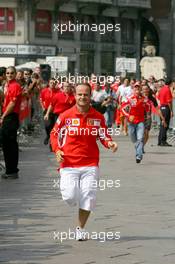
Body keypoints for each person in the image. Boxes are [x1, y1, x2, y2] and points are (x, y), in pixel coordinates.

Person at [50, 83, 118, 241]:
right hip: (69, 164)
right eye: (80, 94)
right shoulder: (65, 116)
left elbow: (104, 136)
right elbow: (54, 134)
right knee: (70, 197)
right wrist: (57, 150)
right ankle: (76, 194)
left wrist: (110, 143)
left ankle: (80, 229)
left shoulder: (98, 117)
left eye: (86, 94)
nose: (82, 97)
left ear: (90, 96)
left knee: (88, 197)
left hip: (90, 163)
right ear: (75, 96)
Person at [0, 66, 22, 179]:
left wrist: (3, 116)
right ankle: (10, 170)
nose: (9, 75)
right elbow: (6, 100)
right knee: (7, 144)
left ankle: (12, 171)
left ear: (15, 74)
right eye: (7, 73)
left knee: (10, 145)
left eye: (11, 73)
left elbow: (12, 104)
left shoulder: (15, 86)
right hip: (8, 117)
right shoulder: (7, 85)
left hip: (11, 117)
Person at [121, 83, 146, 163]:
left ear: (140, 90)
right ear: (133, 90)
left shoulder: (144, 99)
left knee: (140, 138)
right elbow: (122, 109)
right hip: (131, 122)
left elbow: (148, 106)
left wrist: (148, 114)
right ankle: (139, 149)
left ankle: (139, 156)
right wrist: (128, 116)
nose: (137, 90)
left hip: (140, 122)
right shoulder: (129, 98)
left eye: (138, 89)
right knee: (134, 140)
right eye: (135, 89)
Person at [157, 80, 173, 146]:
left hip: (161, 107)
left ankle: (160, 140)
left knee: (162, 124)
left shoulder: (162, 89)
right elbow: (169, 101)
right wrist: (171, 110)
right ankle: (163, 141)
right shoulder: (167, 89)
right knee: (165, 125)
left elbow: (158, 97)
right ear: (171, 83)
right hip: (166, 108)